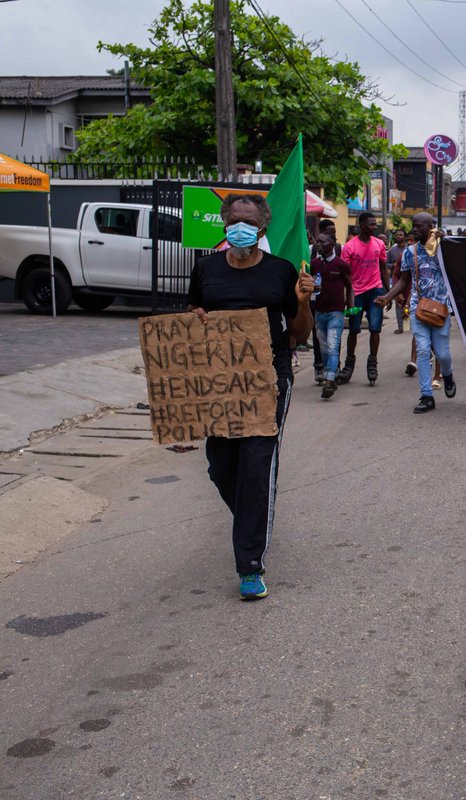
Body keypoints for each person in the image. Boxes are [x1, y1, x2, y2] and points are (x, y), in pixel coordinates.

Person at [186, 193, 313, 600]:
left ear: (262, 228)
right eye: (234, 219)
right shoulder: (204, 268)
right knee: (220, 465)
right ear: (225, 224)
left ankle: (250, 565)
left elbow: (300, 333)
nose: (241, 226)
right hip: (219, 382)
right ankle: (252, 519)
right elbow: (193, 317)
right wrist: (196, 320)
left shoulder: (280, 271)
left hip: (267, 379)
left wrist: (305, 301)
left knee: (258, 466)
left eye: (249, 220)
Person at [376, 212, 455, 413]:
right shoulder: (409, 253)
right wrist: (388, 296)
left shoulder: (443, 249)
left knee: (443, 354)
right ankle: (426, 395)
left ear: (431, 227)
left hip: (441, 308)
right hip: (418, 308)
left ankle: (447, 374)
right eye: (414, 226)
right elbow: (403, 280)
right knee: (422, 350)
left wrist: (446, 240)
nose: (415, 230)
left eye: (420, 226)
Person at [339, 212, 388, 385]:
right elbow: (345, 275)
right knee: (353, 329)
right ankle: (349, 364)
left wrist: (387, 293)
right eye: (371, 225)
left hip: (375, 290)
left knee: (375, 328)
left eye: (376, 224)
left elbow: (383, 268)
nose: (375, 227)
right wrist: (347, 296)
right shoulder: (349, 247)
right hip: (356, 293)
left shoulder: (379, 244)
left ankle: (372, 363)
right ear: (362, 225)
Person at [310, 232, 354, 399]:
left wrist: (350, 305)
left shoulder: (341, 265)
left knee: (333, 345)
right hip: (319, 312)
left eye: (322, 242)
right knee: (324, 349)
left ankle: (329, 381)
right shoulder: (314, 264)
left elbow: (350, 286)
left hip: (336, 312)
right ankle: (333, 372)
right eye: (317, 242)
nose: (318, 245)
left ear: (331, 244)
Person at [386, 229, 409, 334]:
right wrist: (393, 265)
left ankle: (408, 325)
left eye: (401, 234)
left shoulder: (409, 249)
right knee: (398, 303)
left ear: (405, 237)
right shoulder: (392, 251)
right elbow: (386, 264)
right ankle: (400, 326)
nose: (398, 236)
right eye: (397, 234)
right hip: (397, 279)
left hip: (409, 280)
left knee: (409, 302)